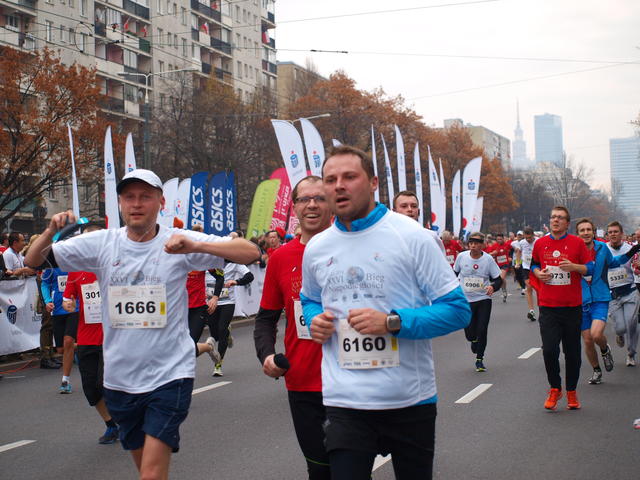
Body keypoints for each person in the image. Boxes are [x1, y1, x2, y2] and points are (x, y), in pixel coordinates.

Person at [25, 169, 259, 480]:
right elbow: (33, 261)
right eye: (129, 197)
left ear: (161, 202)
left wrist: (196, 246)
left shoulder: (178, 240)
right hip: (120, 379)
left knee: (149, 473)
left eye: (145, 197)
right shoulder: (103, 243)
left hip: (170, 375)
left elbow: (251, 252)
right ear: (120, 202)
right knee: (146, 469)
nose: (136, 204)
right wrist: (50, 232)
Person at [301, 146, 470, 480]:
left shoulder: (413, 237)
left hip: (409, 400)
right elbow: (309, 299)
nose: (339, 186)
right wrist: (316, 318)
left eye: (350, 177)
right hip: (344, 401)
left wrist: (393, 322)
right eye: (331, 179)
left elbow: (457, 310)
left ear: (373, 182)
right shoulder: (317, 247)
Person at [254, 175, 333, 480]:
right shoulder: (281, 258)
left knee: (351, 467)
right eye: (304, 199)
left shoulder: (354, 248)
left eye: (319, 198)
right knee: (319, 469)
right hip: (303, 382)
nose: (312, 205)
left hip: (353, 380)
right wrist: (267, 355)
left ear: (332, 204)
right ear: (294, 207)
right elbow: (265, 319)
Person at [62, 222, 120, 444]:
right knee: (91, 389)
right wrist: (68, 303)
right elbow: (68, 298)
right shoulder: (76, 270)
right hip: (86, 336)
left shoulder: (116, 265)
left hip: (113, 337)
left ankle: (127, 419)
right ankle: (111, 424)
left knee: (108, 384)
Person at [530, 206, 593, 410]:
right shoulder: (540, 243)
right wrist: (538, 273)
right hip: (548, 306)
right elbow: (534, 264)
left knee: (572, 352)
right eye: (553, 217)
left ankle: (572, 391)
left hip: (572, 307)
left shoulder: (577, 243)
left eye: (560, 218)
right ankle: (555, 388)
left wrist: (574, 267)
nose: (555, 220)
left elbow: (590, 268)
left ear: (567, 223)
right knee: (549, 350)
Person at [575, 218, 639, 384]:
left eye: (588, 229)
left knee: (596, 334)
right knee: (588, 340)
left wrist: (633, 251)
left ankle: (604, 349)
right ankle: (597, 371)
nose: (586, 233)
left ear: (593, 232)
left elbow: (614, 263)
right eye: (582, 230)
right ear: (577, 234)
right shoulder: (572, 250)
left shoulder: (602, 248)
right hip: (581, 299)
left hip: (601, 297)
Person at [454, 232, 502, 372]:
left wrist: (493, 287)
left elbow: (498, 279)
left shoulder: (488, 260)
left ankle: (479, 359)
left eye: (476, 243)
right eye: (471, 243)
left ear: (482, 245)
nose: (473, 246)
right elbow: (453, 274)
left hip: (483, 299)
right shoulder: (461, 257)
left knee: (482, 329)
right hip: (466, 300)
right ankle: (473, 340)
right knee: (470, 333)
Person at [208, 260, 253, 376]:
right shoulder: (207, 261)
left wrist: (236, 281)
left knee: (222, 329)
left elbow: (249, 276)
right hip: (210, 303)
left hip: (228, 303)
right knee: (215, 334)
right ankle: (227, 334)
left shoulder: (234, 262)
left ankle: (218, 364)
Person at [605, 221, 639, 366]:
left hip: (630, 291)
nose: (613, 234)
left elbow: (637, 266)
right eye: (610, 232)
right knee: (621, 327)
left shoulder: (630, 249)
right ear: (607, 235)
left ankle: (631, 354)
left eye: (615, 231)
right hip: (612, 295)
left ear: (622, 234)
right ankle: (619, 334)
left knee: (631, 322)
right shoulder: (603, 249)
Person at [41, 266, 78, 392]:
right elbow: (44, 284)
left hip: (74, 308)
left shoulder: (75, 265)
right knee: (61, 349)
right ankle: (87, 346)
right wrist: (48, 301)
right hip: (57, 310)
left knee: (68, 341)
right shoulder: (51, 267)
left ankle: (65, 381)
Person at [514, 227, 537, 321]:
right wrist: (517, 262)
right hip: (526, 267)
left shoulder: (538, 241)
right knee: (529, 287)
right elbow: (518, 252)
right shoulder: (522, 242)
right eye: (526, 238)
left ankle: (543, 308)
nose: (528, 239)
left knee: (539, 289)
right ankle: (531, 311)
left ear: (533, 235)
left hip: (537, 267)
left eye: (530, 238)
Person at [485, 233, 511, 303]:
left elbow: (512, 250)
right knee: (501, 279)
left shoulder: (507, 245)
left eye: (500, 239)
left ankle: (504, 290)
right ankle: (504, 288)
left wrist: (510, 257)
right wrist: (493, 253)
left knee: (502, 277)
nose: (499, 240)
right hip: (497, 265)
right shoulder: (494, 246)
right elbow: (487, 254)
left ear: (503, 239)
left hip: (505, 264)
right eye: (498, 239)